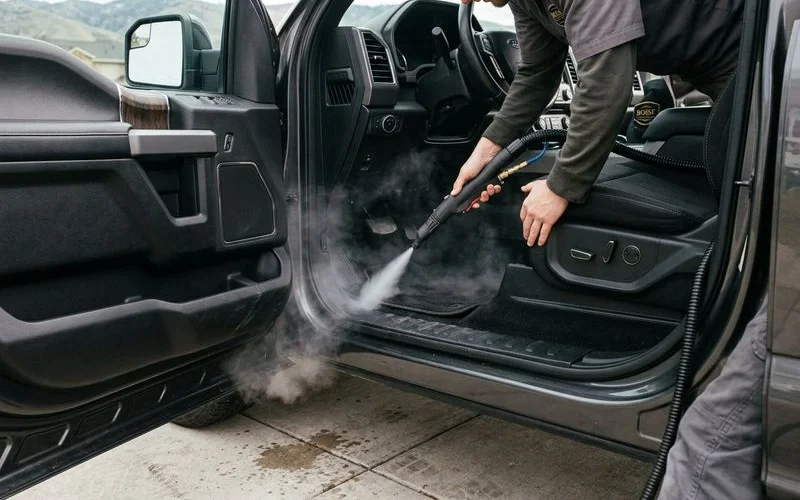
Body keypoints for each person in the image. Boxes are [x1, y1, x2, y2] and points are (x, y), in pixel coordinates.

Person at [453, 0, 742, 247]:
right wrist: (484, 157)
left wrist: (560, 187)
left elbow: (606, 82)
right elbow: (537, 73)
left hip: (747, 52)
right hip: (711, 69)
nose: (466, 1)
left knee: (743, 182)